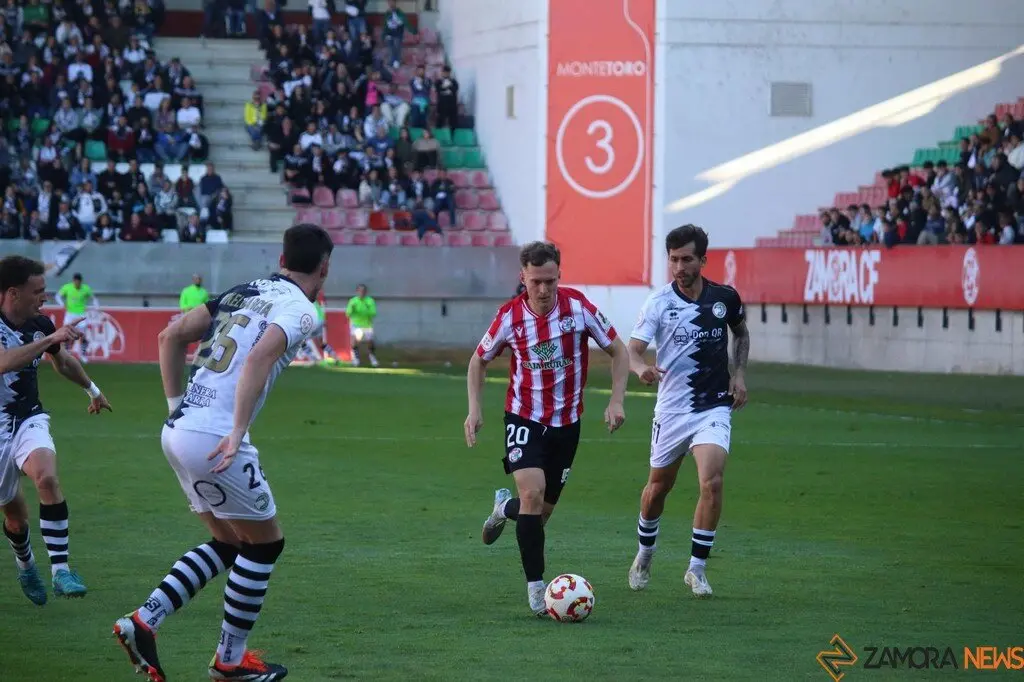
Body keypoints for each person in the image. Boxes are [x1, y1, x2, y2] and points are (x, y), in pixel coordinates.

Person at [112, 224, 333, 682]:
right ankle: (229, 661)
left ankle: (143, 620)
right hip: (214, 437)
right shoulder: (301, 309)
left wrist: (177, 409)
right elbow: (257, 358)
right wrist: (236, 432)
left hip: (180, 430)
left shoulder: (245, 290)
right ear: (325, 267)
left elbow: (169, 336)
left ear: (281, 259)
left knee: (231, 542)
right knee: (266, 544)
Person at [465, 241, 629, 616]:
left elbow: (618, 350)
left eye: (550, 281)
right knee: (533, 495)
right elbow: (479, 361)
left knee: (537, 515)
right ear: (522, 277)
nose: (542, 290)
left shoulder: (579, 308)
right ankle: (538, 592)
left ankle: (502, 509)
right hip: (524, 418)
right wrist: (475, 408)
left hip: (567, 425)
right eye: (535, 282)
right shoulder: (509, 316)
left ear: (559, 275)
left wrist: (616, 399)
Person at [625, 225, 750, 598]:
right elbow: (632, 349)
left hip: (713, 405)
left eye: (687, 259)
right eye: (674, 259)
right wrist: (639, 368)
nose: (679, 266)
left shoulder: (724, 297)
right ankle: (645, 553)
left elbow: (740, 333)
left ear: (702, 260)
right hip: (673, 409)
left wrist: (739, 374)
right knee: (657, 489)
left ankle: (696, 569)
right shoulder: (658, 303)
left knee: (711, 481)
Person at [0, 256, 112, 606]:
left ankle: (61, 571)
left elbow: (62, 361)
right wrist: (50, 339)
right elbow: (4, 362)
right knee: (15, 517)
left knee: (46, 478)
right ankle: (26, 563)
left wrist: (92, 389)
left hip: (28, 418)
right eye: (38, 291)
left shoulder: (40, 324)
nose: (44, 298)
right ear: (14, 293)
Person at [55, 273, 98, 361]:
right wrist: (62, 304)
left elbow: (94, 298)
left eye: (78, 282)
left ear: (80, 281)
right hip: (70, 314)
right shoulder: (67, 287)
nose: (77, 283)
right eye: (75, 282)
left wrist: (96, 307)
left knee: (83, 335)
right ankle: (66, 352)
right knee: (67, 334)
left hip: (81, 315)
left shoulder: (85, 288)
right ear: (73, 281)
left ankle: (83, 354)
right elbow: (57, 296)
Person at [346, 283, 378, 367]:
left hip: (367, 325)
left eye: (363, 291)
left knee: (370, 342)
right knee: (354, 341)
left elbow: (373, 313)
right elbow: (348, 313)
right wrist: (352, 310)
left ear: (366, 292)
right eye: (360, 291)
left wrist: (364, 311)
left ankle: (372, 356)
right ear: (357, 291)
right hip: (356, 324)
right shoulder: (353, 301)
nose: (361, 292)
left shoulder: (370, 301)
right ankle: (356, 359)